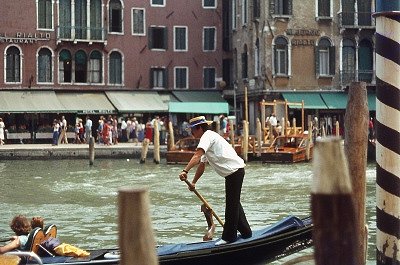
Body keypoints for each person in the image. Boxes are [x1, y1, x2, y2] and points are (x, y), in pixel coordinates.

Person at [179, 116, 252, 245]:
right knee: (234, 203)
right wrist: (194, 182)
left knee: (231, 205)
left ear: (200, 128)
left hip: (235, 171)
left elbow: (197, 156)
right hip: (233, 173)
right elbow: (202, 164)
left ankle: (229, 237)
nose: (191, 133)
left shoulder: (207, 136)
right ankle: (246, 231)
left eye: (193, 130)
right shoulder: (207, 138)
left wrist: (185, 171)